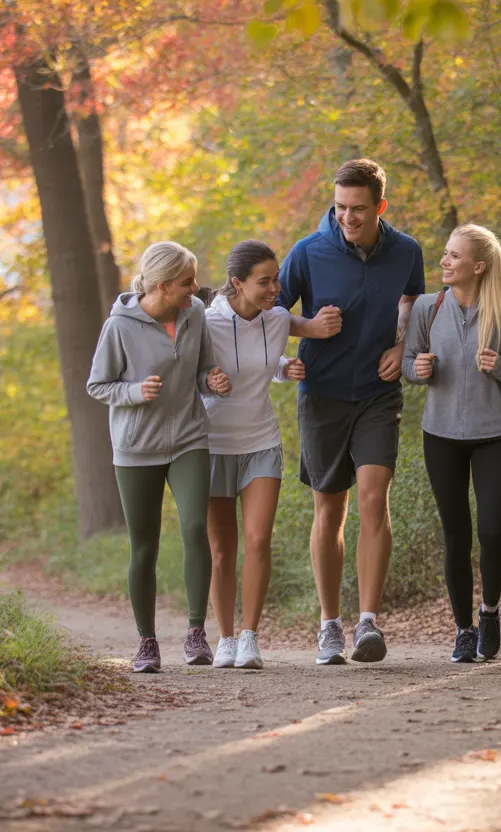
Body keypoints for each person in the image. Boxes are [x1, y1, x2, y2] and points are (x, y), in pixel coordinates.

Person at [278, 159, 425, 665]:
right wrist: (308, 329)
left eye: (358, 209)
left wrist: (402, 345)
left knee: (372, 496)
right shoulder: (308, 252)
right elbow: (268, 312)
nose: (347, 218)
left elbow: (416, 300)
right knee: (330, 508)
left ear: (380, 206)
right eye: (340, 207)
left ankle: (367, 622)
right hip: (322, 395)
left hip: (379, 395)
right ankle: (328, 626)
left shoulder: (406, 251)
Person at [87, 241, 232, 673]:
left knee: (193, 527)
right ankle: (146, 642)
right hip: (136, 448)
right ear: (163, 285)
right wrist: (134, 392)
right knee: (144, 546)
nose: (196, 288)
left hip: (189, 437)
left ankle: (195, 633)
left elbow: (203, 371)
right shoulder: (119, 327)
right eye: (188, 282)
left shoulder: (196, 315)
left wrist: (214, 380)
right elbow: (98, 385)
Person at [402, 224, 501, 662]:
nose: (444, 261)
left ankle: (490, 611)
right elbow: (406, 362)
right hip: (439, 435)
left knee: (492, 532)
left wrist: (500, 367)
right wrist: (417, 369)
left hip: (493, 435)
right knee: (456, 536)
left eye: (454, 256)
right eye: (446, 253)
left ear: (478, 266)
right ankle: (463, 630)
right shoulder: (427, 306)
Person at [202, 241, 304, 670]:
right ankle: (224, 638)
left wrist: (284, 368)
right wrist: (209, 382)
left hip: (261, 441)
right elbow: (185, 373)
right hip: (212, 445)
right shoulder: (205, 323)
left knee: (259, 539)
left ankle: (249, 638)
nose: (274, 289)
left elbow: (264, 356)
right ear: (237, 283)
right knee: (222, 550)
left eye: (276, 279)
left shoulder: (277, 319)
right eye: (264, 282)